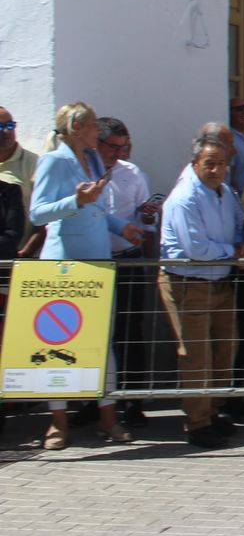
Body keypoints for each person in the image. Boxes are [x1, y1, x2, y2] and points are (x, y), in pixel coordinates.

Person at [29, 102, 143, 448]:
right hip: (66, 263)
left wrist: (121, 225)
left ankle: (107, 418)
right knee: (58, 341)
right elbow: (37, 213)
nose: (98, 131)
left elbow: (95, 208)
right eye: (93, 125)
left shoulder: (93, 160)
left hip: (96, 260)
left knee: (100, 341)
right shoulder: (54, 160)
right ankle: (58, 422)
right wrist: (74, 202)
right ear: (76, 127)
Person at [160, 132, 244, 449]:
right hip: (189, 283)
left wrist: (241, 246)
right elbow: (195, 248)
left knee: (224, 350)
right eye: (209, 164)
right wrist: (232, 251)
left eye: (221, 164)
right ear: (195, 163)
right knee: (196, 355)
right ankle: (197, 423)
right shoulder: (185, 197)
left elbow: (240, 223)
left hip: (220, 281)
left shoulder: (225, 192)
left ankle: (212, 411)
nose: (215, 170)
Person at [97, 116, 159, 419]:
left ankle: (132, 399)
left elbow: (147, 221)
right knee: (95, 333)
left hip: (128, 260)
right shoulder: (83, 172)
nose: (119, 153)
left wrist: (148, 216)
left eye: (124, 146)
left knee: (130, 330)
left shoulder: (132, 174)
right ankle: (91, 402)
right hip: (94, 262)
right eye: (113, 147)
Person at [0, 103, 42, 257]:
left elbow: (45, 220)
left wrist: (26, 252)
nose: (6, 131)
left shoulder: (34, 163)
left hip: (20, 259)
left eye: (10, 125)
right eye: (0, 126)